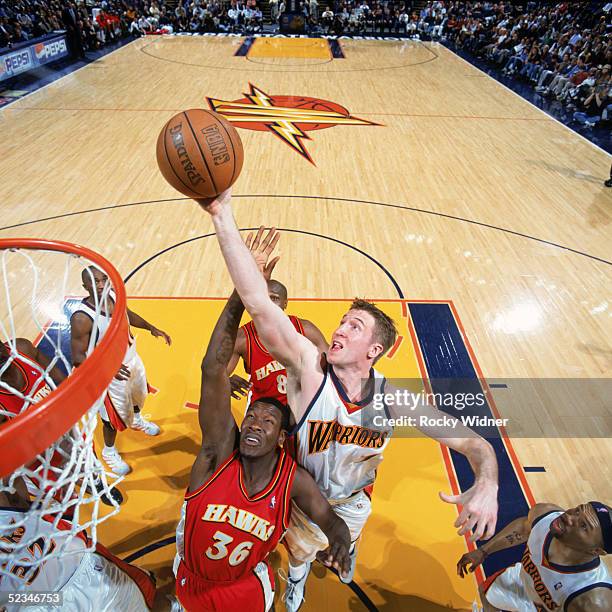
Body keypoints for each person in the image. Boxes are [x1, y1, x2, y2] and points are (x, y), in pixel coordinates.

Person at [196, 190, 499, 611]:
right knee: (300, 554)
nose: (338, 331)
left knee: (345, 538)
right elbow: (259, 305)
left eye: (353, 327)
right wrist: (221, 214)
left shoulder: (394, 400)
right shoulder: (308, 368)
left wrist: (487, 482)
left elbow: (474, 443)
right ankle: (297, 579)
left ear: (373, 350)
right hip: (303, 494)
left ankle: (343, 544)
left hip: (354, 501)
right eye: (341, 322)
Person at [173, 234, 350, 611]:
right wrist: (242, 288)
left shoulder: (305, 332)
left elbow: (330, 375)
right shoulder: (221, 449)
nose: (267, 307)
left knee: (301, 522)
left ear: (286, 307)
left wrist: (340, 537)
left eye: (275, 302)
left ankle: (298, 573)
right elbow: (216, 367)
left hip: (298, 424)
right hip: (274, 422)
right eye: (262, 298)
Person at [70, 267, 171, 477]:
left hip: (131, 360)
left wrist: (150, 327)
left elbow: (127, 314)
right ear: (85, 287)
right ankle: (109, 451)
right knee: (112, 418)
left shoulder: (114, 296)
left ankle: (136, 420)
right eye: (94, 282)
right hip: (108, 373)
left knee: (138, 398)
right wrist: (109, 368)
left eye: (103, 279)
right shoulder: (82, 317)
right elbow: (78, 357)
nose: (100, 284)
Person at [0, 476, 156, 611]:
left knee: (147, 601)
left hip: (86, 569)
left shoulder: (7, 503)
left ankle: (173, 605)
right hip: (55, 593)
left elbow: (14, 489)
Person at [0, 338, 121, 506]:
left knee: (89, 468)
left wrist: (73, 392)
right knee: (68, 502)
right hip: (41, 462)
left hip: (67, 433)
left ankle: (98, 487)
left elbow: (57, 375)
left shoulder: (22, 348)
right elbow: (11, 458)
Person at [457, 501, 612, 611]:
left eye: (583, 525)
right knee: (486, 594)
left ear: (596, 551)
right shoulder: (546, 515)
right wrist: (483, 551)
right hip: (523, 582)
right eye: (578, 510)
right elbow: (525, 528)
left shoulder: (592, 600)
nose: (569, 517)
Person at [226, 254, 328, 410]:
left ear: (285, 303)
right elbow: (215, 374)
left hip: (302, 406)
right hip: (263, 411)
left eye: (274, 298)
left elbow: (334, 366)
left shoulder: (305, 329)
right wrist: (226, 382)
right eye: (264, 298)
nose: (268, 303)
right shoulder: (242, 338)